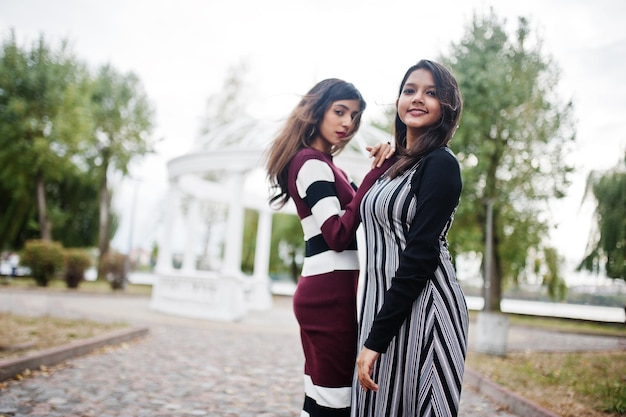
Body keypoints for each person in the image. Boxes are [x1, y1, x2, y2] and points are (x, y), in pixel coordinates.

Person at [265, 78, 394, 417]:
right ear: (317, 110)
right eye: (340, 112)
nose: (348, 123)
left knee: (319, 397)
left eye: (355, 115)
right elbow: (336, 233)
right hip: (330, 296)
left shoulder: (324, 164)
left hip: (327, 293)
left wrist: (373, 176)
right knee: (334, 402)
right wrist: (372, 177)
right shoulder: (310, 163)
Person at [352, 60, 469, 417]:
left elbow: (420, 255)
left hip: (426, 310)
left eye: (431, 93)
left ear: (446, 107)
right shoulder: (394, 163)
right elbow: (358, 214)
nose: (418, 98)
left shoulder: (441, 165)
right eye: (410, 90)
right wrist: (381, 165)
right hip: (383, 305)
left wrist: (375, 340)